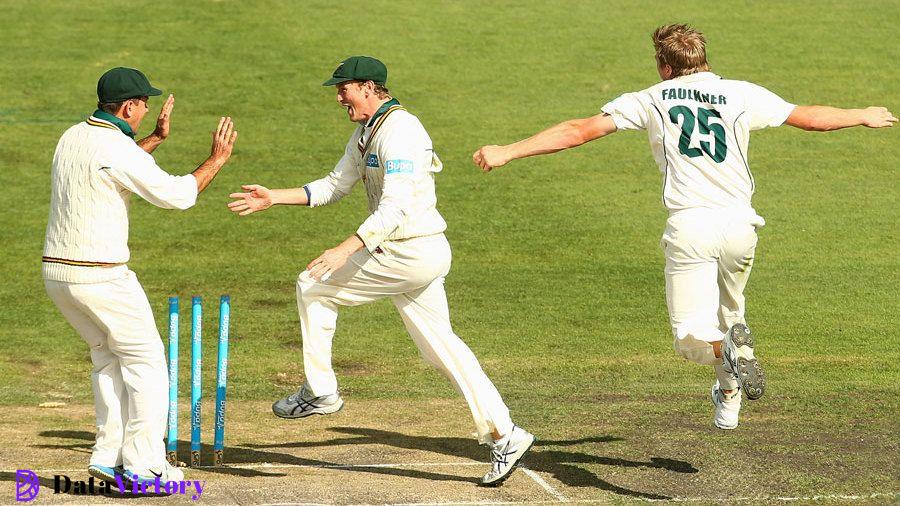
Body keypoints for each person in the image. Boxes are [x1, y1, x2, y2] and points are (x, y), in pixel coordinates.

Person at [472, 24, 896, 430]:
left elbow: (578, 131)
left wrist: (508, 150)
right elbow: (806, 117)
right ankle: (729, 399)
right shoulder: (741, 93)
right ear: (705, 59)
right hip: (740, 227)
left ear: (664, 66)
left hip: (692, 228)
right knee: (731, 316)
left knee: (691, 336)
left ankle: (727, 355)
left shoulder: (651, 98)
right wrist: (862, 113)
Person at [227, 56, 534, 485]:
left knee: (313, 285)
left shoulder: (403, 132)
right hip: (408, 254)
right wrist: (274, 196)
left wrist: (344, 248)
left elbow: (396, 206)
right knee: (440, 349)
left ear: (370, 87)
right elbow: (336, 185)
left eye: (344, 88)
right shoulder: (365, 133)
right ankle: (506, 434)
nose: (339, 97)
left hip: (409, 252)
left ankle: (321, 391)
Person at [43, 67, 237, 484]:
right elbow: (179, 195)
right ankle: (145, 466)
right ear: (130, 106)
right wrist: (217, 159)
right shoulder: (117, 149)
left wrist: (155, 139)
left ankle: (108, 453)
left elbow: (117, 167)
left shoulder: (73, 135)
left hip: (58, 275)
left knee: (107, 358)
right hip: (101, 277)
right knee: (147, 364)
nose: (147, 108)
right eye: (143, 103)